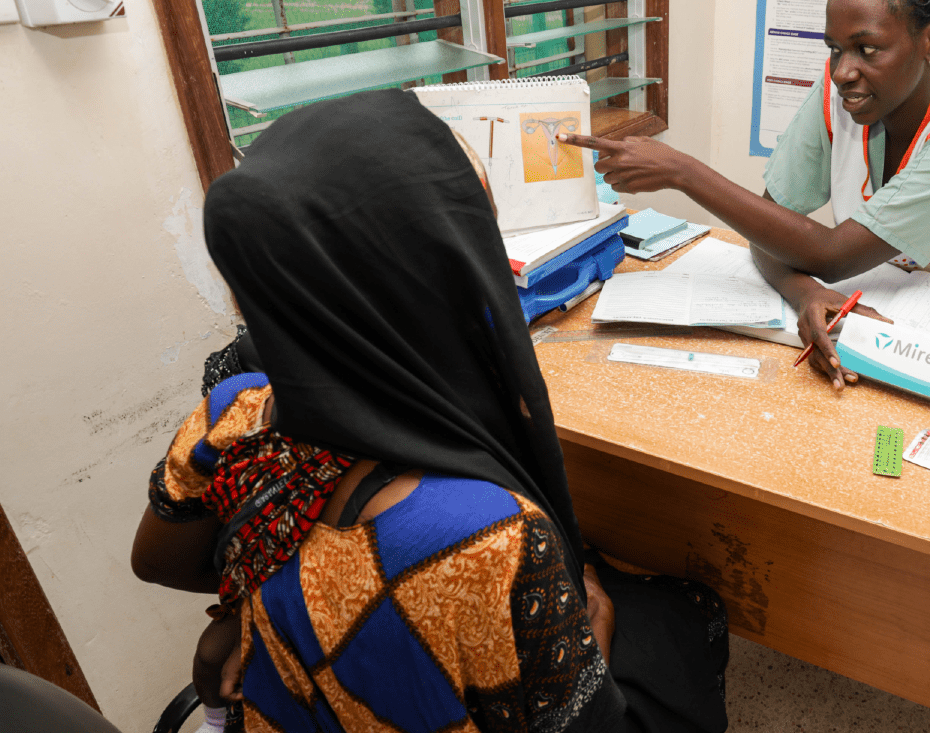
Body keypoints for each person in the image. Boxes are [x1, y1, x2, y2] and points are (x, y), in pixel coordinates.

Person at [131, 89, 729, 733]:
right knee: (683, 618)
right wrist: (598, 629)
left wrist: (270, 605)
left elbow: (157, 561)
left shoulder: (231, 416)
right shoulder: (491, 537)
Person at [560, 0, 930, 390]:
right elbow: (771, 223)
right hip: (871, 302)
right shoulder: (849, 89)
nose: (842, 71)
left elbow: (832, 255)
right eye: (836, 49)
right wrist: (806, 292)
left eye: (867, 48)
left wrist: (683, 172)